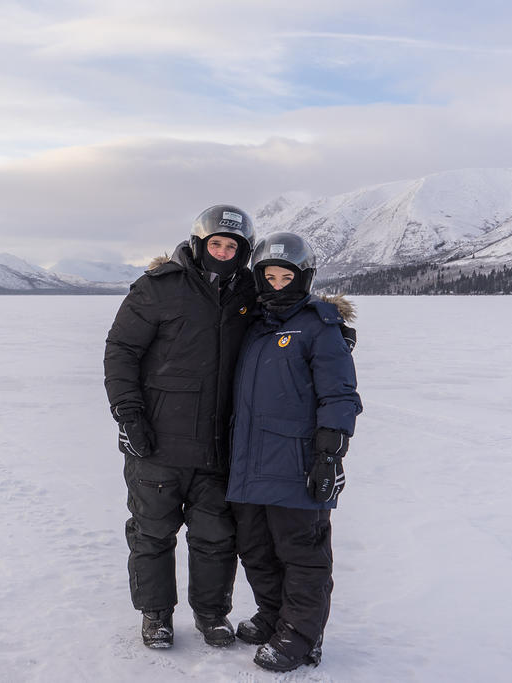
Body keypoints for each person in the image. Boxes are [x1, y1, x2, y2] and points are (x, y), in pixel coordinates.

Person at [104, 205, 257, 649]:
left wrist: (330, 327)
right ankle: (156, 616)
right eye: (217, 244)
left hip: (218, 445)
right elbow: (121, 351)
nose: (224, 253)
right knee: (152, 533)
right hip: (157, 442)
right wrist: (128, 415)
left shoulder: (249, 290)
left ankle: (211, 615)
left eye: (233, 247)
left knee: (216, 537)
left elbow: (290, 304)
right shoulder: (159, 288)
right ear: (199, 242)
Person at [227, 231, 362, 672]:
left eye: (287, 276)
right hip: (248, 460)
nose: (278, 284)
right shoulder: (253, 325)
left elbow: (340, 394)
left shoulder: (319, 326)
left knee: (302, 554)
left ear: (302, 278)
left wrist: (330, 452)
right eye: (270, 275)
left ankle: (302, 636)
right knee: (255, 548)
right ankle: (274, 615)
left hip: (296, 462)